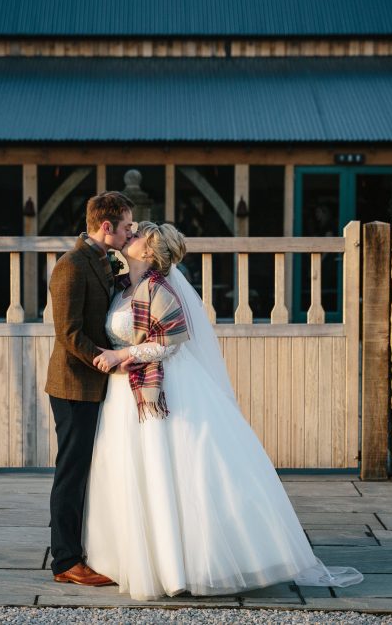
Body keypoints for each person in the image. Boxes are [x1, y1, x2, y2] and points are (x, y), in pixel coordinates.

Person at [84, 221, 364, 600]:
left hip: (166, 390)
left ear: (149, 253)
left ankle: (186, 565)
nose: (130, 236)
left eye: (137, 236)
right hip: (125, 398)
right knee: (138, 476)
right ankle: (143, 559)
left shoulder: (160, 289)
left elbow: (168, 343)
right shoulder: (123, 286)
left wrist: (123, 354)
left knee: (176, 472)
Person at [44, 191, 134, 586]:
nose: (130, 233)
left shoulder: (103, 258)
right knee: (71, 473)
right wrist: (104, 359)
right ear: (106, 226)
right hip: (73, 385)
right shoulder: (71, 265)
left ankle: (81, 552)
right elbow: (67, 332)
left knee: (86, 471)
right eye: (127, 226)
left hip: (93, 385)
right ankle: (65, 561)